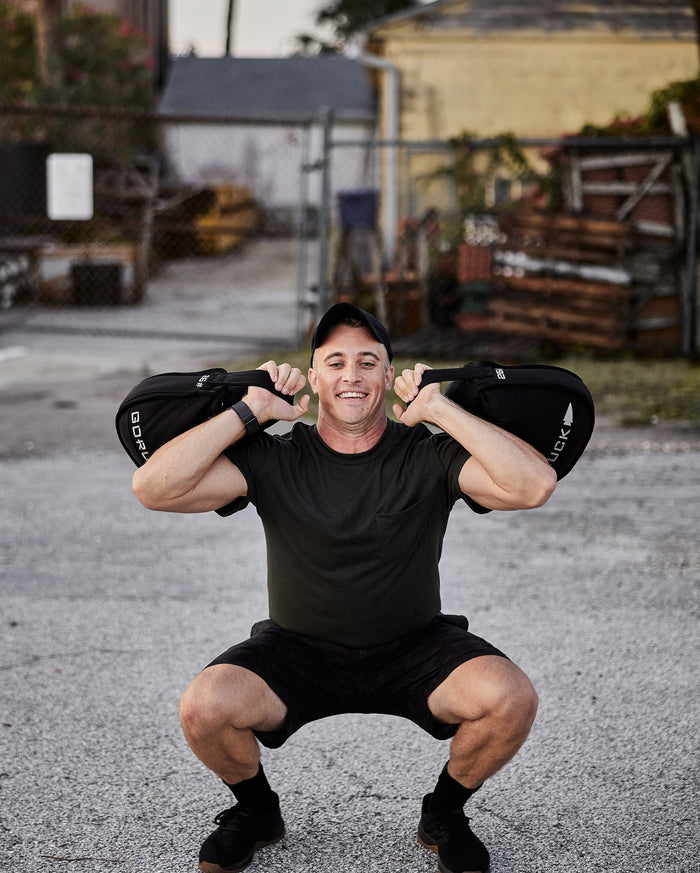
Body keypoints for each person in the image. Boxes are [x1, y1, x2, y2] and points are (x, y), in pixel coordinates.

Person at [132, 302, 557, 873]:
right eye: (335, 363)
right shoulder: (275, 457)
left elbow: (534, 486)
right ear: (314, 378)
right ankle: (256, 812)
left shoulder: (429, 454)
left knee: (511, 698)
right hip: (296, 650)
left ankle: (444, 814)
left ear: (388, 375)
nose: (351, 376)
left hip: (415, 647)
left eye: (367, 362)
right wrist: (249, 411)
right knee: (203, 707)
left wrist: (439, 409)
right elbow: (153, 489)